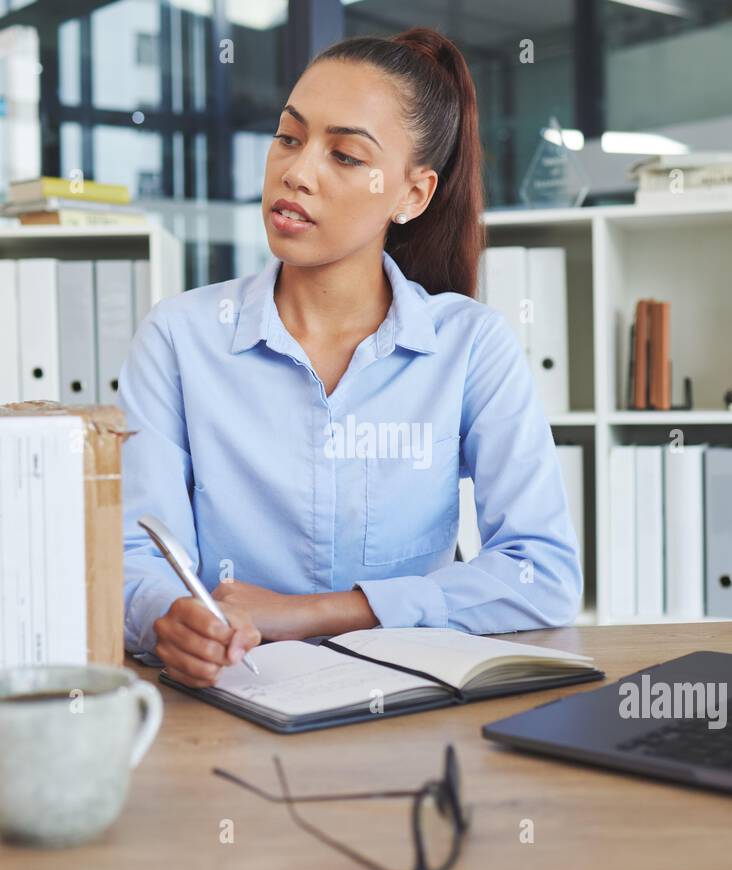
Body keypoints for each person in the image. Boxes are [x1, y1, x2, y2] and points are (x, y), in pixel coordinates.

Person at [120, 27, 581, 688]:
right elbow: (140, 552)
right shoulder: (178, 337)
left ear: (411, 195)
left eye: (344, 155)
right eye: (288, 137)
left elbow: (542, 569)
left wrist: (312, 613)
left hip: (410, 706)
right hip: (230, 703)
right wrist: (168, 615)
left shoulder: (471, 346)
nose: (296, 171)